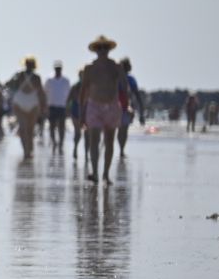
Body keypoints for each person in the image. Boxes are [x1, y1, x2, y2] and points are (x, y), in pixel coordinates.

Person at [77, 35, 129, 184]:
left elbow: (124, 87)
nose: (102, 50)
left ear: (109, 50)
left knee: (109, 141)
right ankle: (95, 172)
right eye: (99, 48)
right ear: (95, 51)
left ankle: (106, 173)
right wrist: (81, 113)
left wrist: (127, 104)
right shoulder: (89, 68)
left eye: (105, 47)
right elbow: (83, 91)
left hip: (112, 106)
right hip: (94, 106)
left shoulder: (116, 66)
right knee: (94, 139)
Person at [6, 57, 48, 160]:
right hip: (20, 101)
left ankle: (30, 149)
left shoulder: (36, 77)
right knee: (23, 128)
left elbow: (41, 92)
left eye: (31, 64)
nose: (29, 66)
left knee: (30, 129)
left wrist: (44, 106)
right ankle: (26, 151)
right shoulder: (19, 75)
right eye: (27, 64)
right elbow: (8, 84)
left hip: (33, 102)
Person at [117, 58, 145, 157]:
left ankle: (121, 149)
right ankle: (121, 149)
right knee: (122, 130)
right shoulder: (116, 78)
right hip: (116, 107)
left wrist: (141, 112)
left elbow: (137, 95)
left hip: (126, 107)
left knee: (123, 129)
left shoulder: (130, 79)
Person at [45, 60, 71, 150]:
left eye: (59, 68)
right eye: (56, 68)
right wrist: (45, 108)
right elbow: (45, 93)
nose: (58, 70)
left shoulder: (66, 81)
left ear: (61, 69)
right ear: (54, 69)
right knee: (51, 126)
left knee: (61, 126)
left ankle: (61, 143)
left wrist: (68, 108)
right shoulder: (49, 80)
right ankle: (54, 142)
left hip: (62, 107)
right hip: (51, 106)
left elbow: (69, 95)